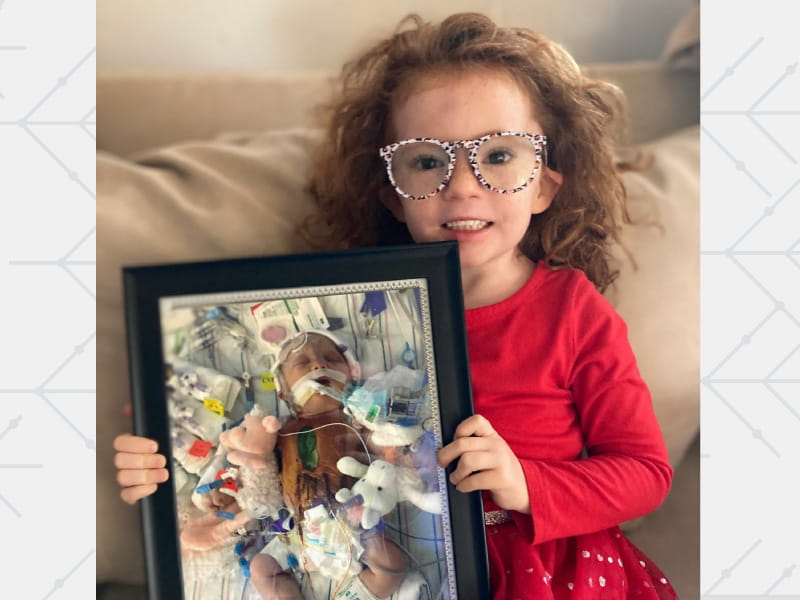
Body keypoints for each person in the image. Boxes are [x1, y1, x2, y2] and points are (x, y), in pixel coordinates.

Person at [115, 12, 678, 599]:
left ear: (543, 185)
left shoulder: (573, 312)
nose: (462, 185)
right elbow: (272, 445)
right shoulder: (353, 315)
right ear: (393, 193)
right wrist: (164, 452)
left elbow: (645, 474)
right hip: (393, 565)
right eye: (429, 161)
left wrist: (525, 484)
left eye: (500, 155)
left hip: (549, 575)